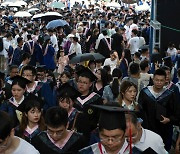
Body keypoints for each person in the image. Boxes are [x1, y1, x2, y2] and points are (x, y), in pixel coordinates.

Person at [138, 68, 180, 151]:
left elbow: (176, 113)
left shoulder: (170, 94)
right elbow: (140, 111)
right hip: (147, 129)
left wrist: (169, 119)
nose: (159, 82)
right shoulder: (145, 92)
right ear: (153, 79)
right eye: (157, 80)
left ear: (165, 81)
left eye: (161, 80)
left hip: (164, 130)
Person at [74, 67, 102, 139]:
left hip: (90, 134)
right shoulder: (72, 97)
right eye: (79, 81)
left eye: (85, 83)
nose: (81, 84)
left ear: (90, 84)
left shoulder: (96, 99)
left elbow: (98, 118)